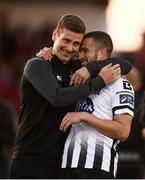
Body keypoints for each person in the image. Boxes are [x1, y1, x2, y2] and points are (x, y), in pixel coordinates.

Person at [9, 14, 131, 179]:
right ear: (54, 35)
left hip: (61, 164)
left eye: (76, 44)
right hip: (31, 160)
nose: (70, 48)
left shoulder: (76, 68)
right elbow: (57, 97)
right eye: (66, 40)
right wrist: (99, 81)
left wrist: (89, 69)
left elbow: (125, 65)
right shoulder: (37, 65)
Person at [58, 31, 135, 179]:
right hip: (67, 167)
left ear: (102, 53)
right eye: (80, 51)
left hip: (97, 169)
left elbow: (123, 131)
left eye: (85, 50)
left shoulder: (121, 84)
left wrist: (85, 117)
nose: (80, 55)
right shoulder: (80, 80)